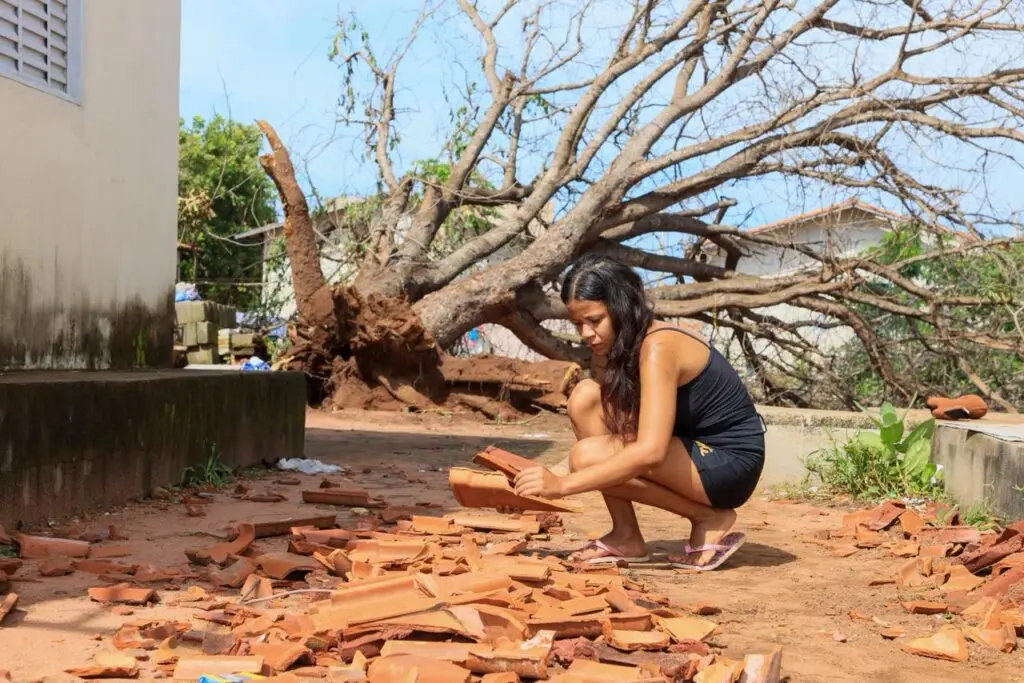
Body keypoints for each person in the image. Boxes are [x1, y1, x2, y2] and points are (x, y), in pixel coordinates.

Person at [513, 253, 766, 571]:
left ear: (621, 308)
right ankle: (626, 535)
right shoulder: (614, 348)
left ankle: (708, 516)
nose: (586, 333)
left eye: (595, 320)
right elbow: (613, 435)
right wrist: (536, 482)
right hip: (688, 450)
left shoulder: (658, 347)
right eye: (577, 323)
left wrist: (561, 485)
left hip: (730, 462)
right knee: (585, 397)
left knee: (586, 456)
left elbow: (650, 452)